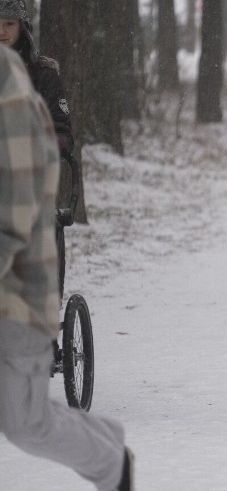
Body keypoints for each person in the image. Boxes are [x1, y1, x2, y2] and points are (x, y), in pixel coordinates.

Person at [0, 44, 133, 490]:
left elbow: (15, 211)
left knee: (24, 422)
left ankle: (109, 460)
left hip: (15, 290)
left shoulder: (10, 87)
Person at [0, 0, 73, 156]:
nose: (2, 31)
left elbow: (63, 137)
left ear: (22, 27)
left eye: (9, 23)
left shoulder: (43, 76)